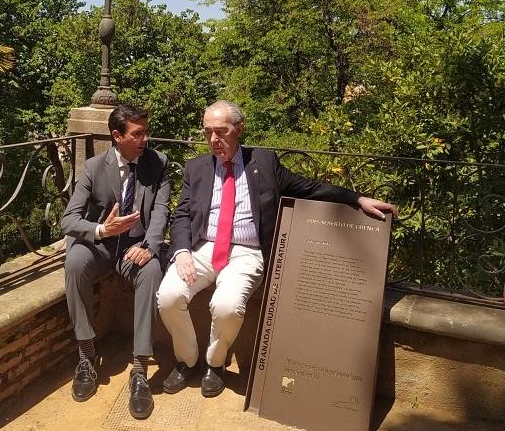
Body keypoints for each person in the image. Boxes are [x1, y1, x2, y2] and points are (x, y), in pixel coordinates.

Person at [157, 100, 397, 398]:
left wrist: (357, 199)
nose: (213, 140)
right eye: (207, 132)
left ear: (239, 129)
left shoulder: (264, 163)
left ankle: (214, 363)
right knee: (167, 296)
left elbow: (307, 187)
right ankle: (187, 359)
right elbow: (181, 214)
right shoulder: (197, 167)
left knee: (227, 306)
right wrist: (181, 251)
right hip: (204, 248)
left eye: (220, 131)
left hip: (247, 253)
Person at [62, 104, 170, 419]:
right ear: (116, 136)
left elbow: (161, 210)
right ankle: (86, 356)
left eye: (146, 132)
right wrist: (101, 229)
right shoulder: (95, 167)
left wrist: (150, 245)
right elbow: (68, 221)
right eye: (138, 134)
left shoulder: (157, 164)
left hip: (136, 246)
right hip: (102, 246)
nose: (145, 139)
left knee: (151, 270)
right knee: (74, 263)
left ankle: (139, 370)